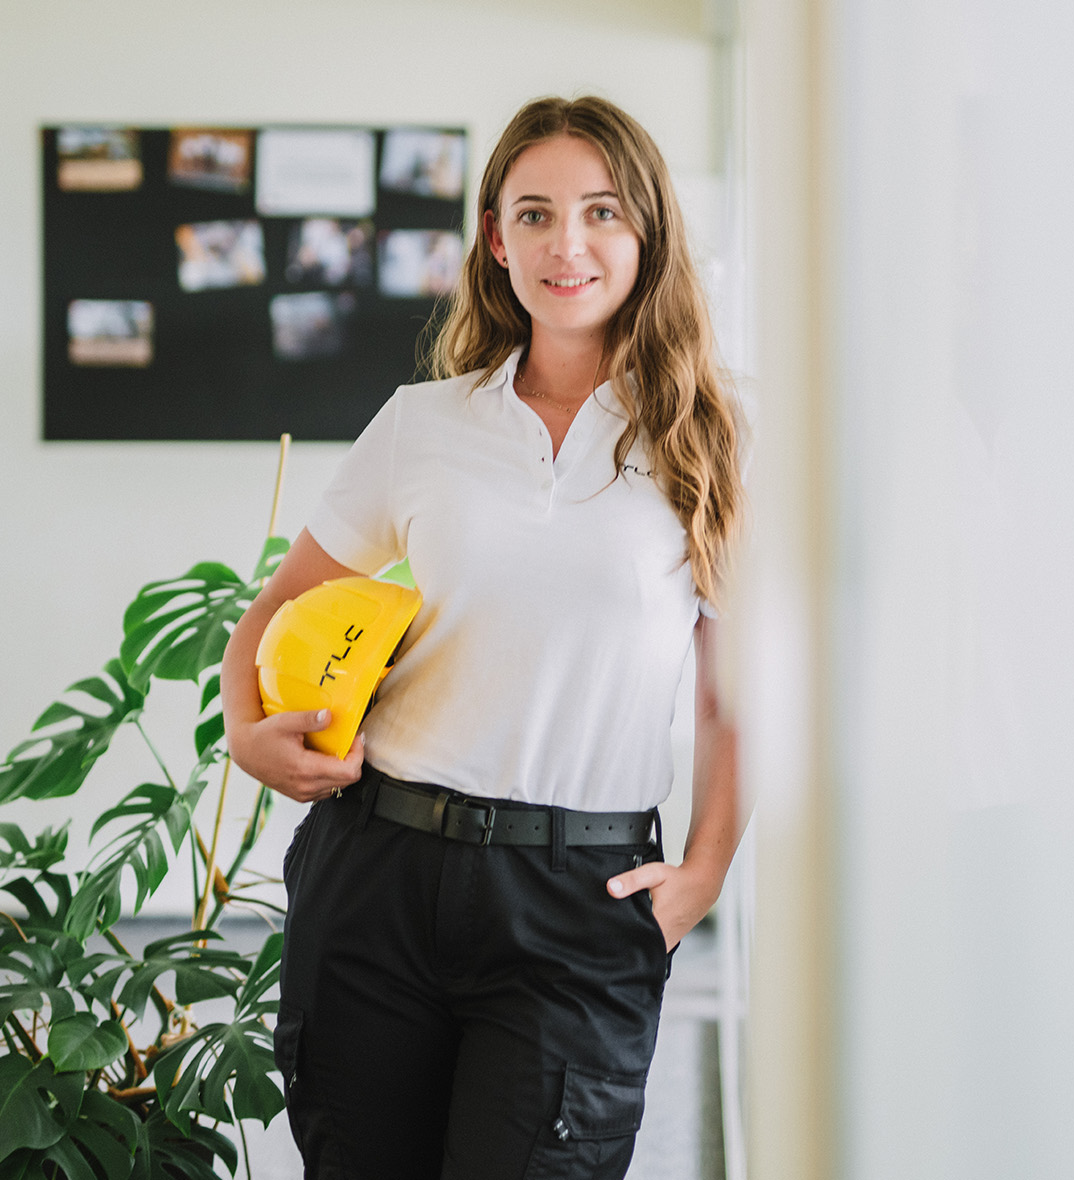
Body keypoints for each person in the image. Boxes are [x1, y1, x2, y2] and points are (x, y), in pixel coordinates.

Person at [221, 95, 748, 1180]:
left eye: (602, 211)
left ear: (647, 232)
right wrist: (245, 732)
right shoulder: (423, 423)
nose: (567, 244)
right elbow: (270, 613)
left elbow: (730, 691)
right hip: (380, 873)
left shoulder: (711, 437)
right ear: (495, 238)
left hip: (581, 896)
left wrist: (706, 868)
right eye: (535, 213)